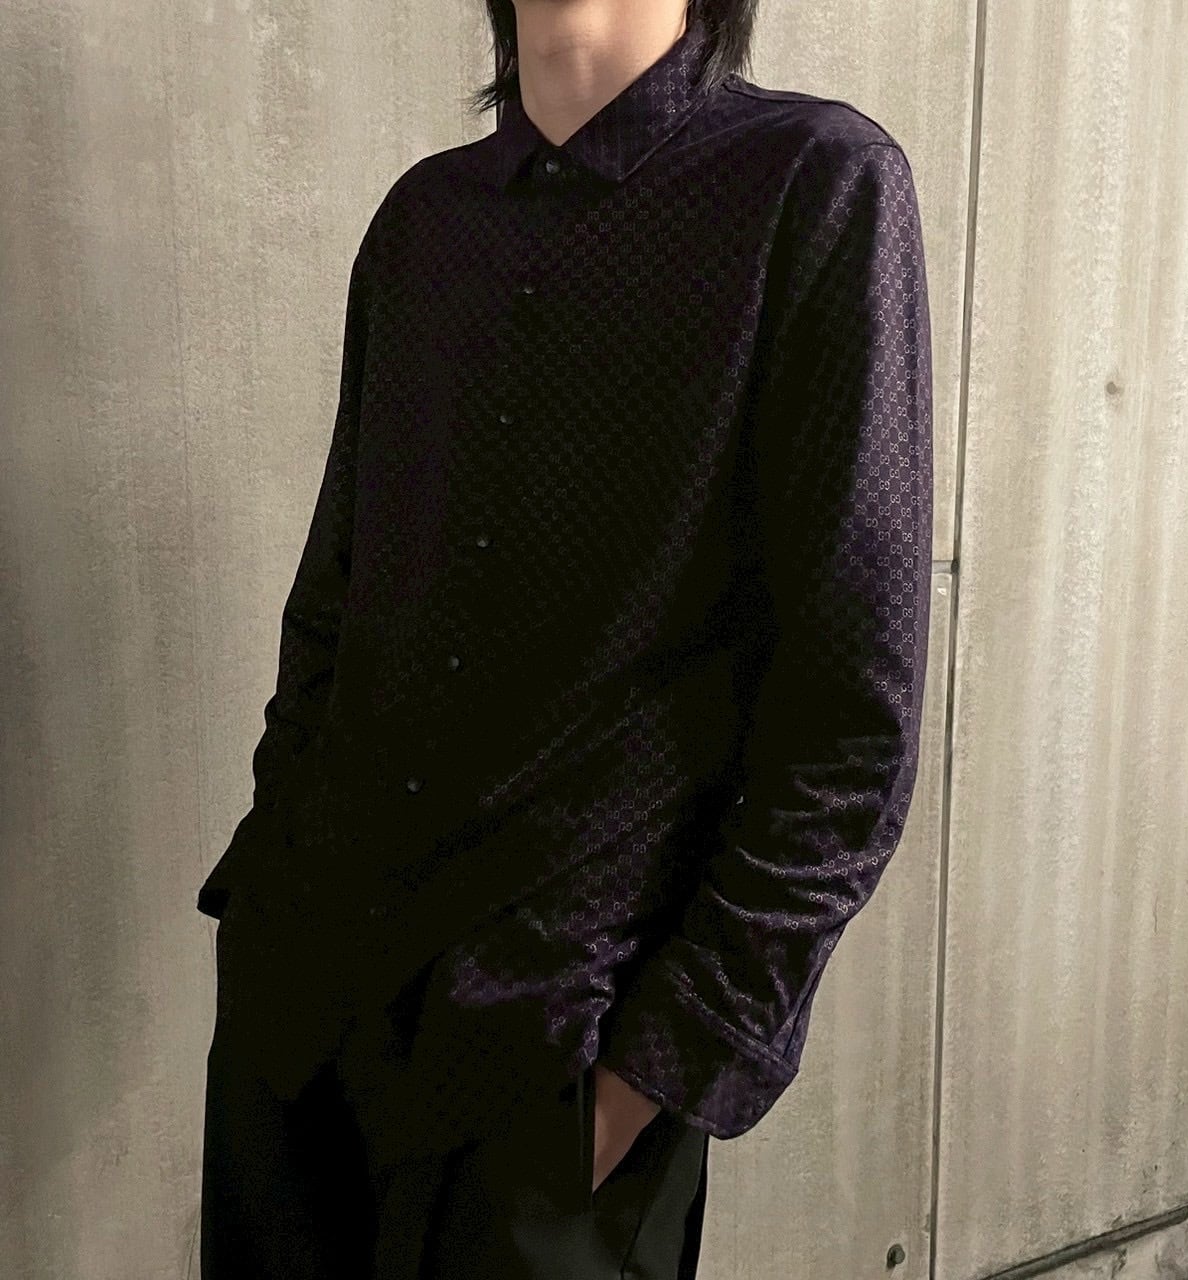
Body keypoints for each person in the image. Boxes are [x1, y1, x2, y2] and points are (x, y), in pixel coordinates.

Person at [196, 0, 934, 1275]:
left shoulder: (812, 187)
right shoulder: (423, 223)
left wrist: (666, 1061)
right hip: (302, 1010)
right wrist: (269, 888)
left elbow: (850, 719)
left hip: (551, 1048)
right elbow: (334, 608)